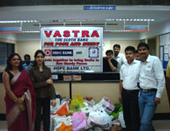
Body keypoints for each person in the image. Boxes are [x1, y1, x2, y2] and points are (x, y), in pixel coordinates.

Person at [3, 53, 36, 131]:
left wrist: (22, 98)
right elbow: (8, 90)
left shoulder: (24, 72)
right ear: (10, 61)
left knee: (23, 123)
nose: (16, 61)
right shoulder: (6, 74)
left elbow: (28, 87)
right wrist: (18, 102)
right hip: (12, 101)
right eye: (14, 59)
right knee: (13, 123)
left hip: (23, 100)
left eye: (18, 59)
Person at [137, 42, 165, 131]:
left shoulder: (155, 60)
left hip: (152, 95)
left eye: (144, 49)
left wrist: (158, 96)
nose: (142, 52)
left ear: (148, 50)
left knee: (145, 121)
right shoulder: (140, 63)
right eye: (140, 50)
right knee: (144, 120)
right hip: (141, 95)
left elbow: (161, 79)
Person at [29, 50, 56, 131]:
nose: (39, 58)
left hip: (47, 96)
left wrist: (53, 97)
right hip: (37, 97)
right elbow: (32, 85)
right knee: (37, 117)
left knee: (46, 117)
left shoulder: (47, 69)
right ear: (35, 58)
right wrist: (45, 82)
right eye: (38, 57)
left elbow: (50, 84)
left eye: (41, 57)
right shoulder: (32, 70)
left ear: (44, 58)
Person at [119, 46, 140, 131]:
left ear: (134, 54)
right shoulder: (123, 66)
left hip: (135, 93)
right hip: (125, 93)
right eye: (126, 54)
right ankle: (128, 129)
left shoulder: (139, 64)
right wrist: (120, 94)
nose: (128, 55)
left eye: (130, 53)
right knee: (126, 114)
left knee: (134, 114)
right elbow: (121, 81)